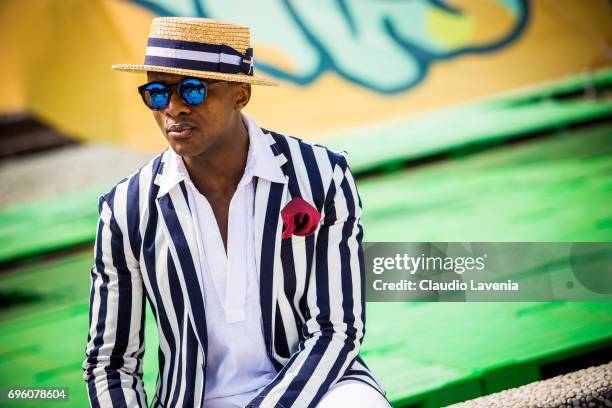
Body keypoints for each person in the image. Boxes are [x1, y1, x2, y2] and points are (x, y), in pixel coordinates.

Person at [82, 16, 388, 408]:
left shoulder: (321, 175)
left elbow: (338, 329)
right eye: (157, 93)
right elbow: (110, 365)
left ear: (240, 94)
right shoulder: (126, 208)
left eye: (192, 90)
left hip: (318, 388)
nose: (172, 108)